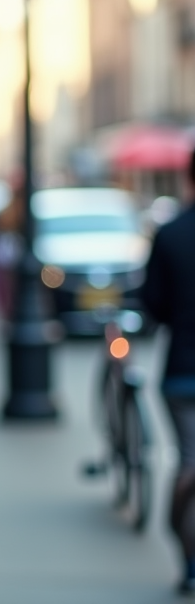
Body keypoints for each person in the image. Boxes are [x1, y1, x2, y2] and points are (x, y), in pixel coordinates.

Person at [144, 147, 195, 596]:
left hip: (181, 372)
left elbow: (153, 306)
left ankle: (186, 553)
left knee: (188, 460)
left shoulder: (172, 233)